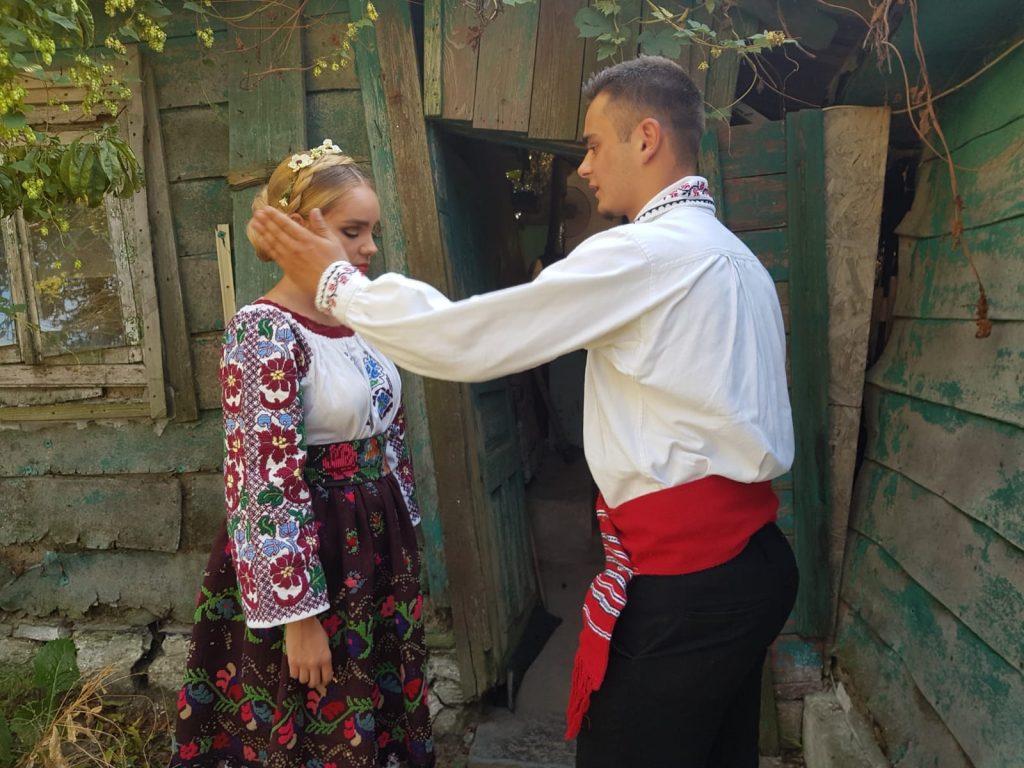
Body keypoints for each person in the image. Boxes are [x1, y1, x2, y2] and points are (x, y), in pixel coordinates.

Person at [251, 56, 799, 768]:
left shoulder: (645, 255)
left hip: (690, 579)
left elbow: (466, 337)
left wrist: (336, 284)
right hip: (752, 562)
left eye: (593, 144)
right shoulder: (734, 257)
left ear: (646, 138)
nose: (584, 167)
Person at [170, 140, 435, 768]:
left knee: (375, 699)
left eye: (372, 231)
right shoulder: (262, 330)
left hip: (372, 545)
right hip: (309, 555)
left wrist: (400, 535)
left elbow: (388, 435)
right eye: (352, 231)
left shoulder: (364, 322)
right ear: (298, 230)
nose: (369, 248)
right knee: (312, 709)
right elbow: (261, 482)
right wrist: (298, 617)